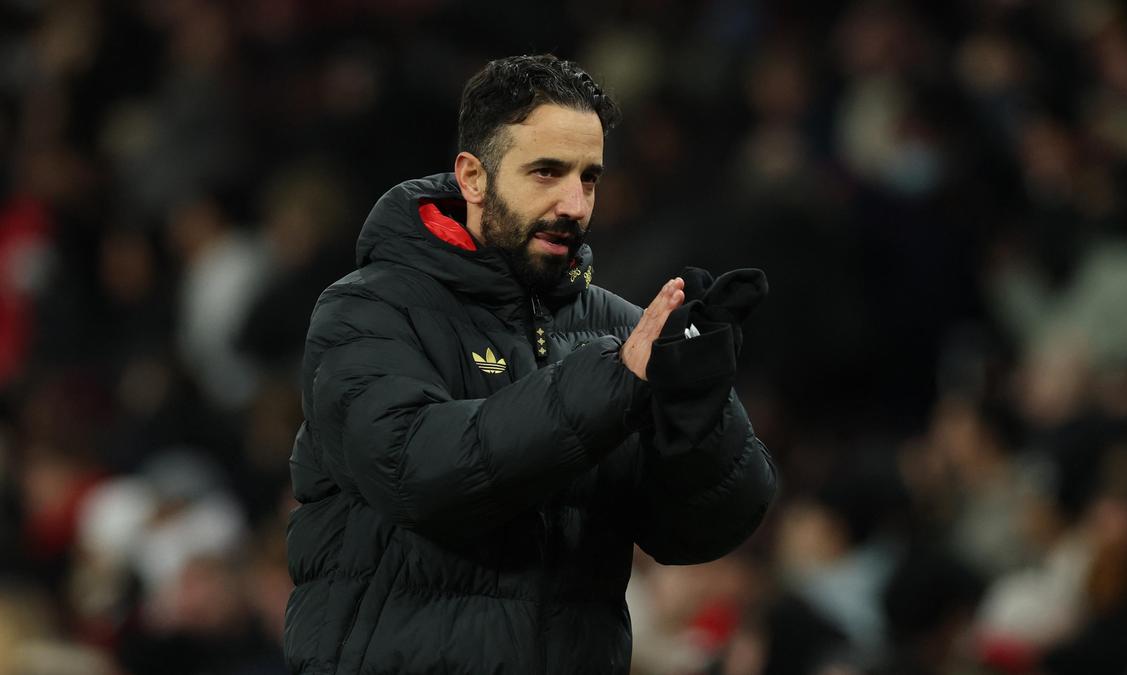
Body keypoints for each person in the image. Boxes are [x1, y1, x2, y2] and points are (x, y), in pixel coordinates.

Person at [283, 53, 776, 675]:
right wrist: (617, 380)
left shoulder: (622, 330)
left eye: (589, 178)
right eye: (547, 171)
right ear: (473, 177)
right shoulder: (368, 310)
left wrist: (697, 408)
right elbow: (419, 472)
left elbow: (697, 534)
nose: (575, 203)